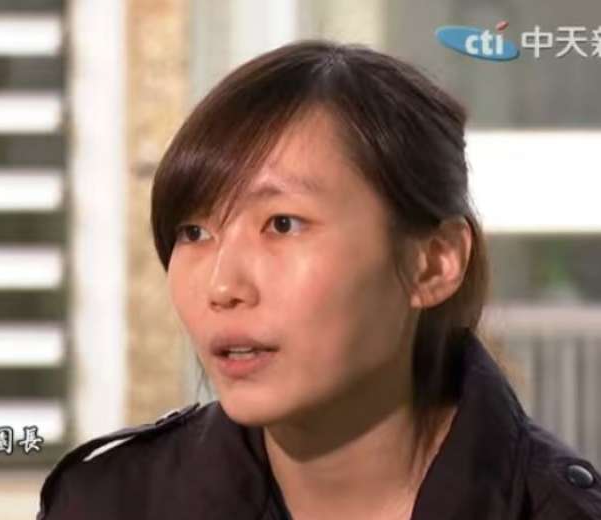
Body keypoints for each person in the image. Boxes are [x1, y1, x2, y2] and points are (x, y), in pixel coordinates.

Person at [36, 40, 601, 519]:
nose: (221, 287)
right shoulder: (109, 503)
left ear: (434, 262)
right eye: (194, 232)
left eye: (282, 224)